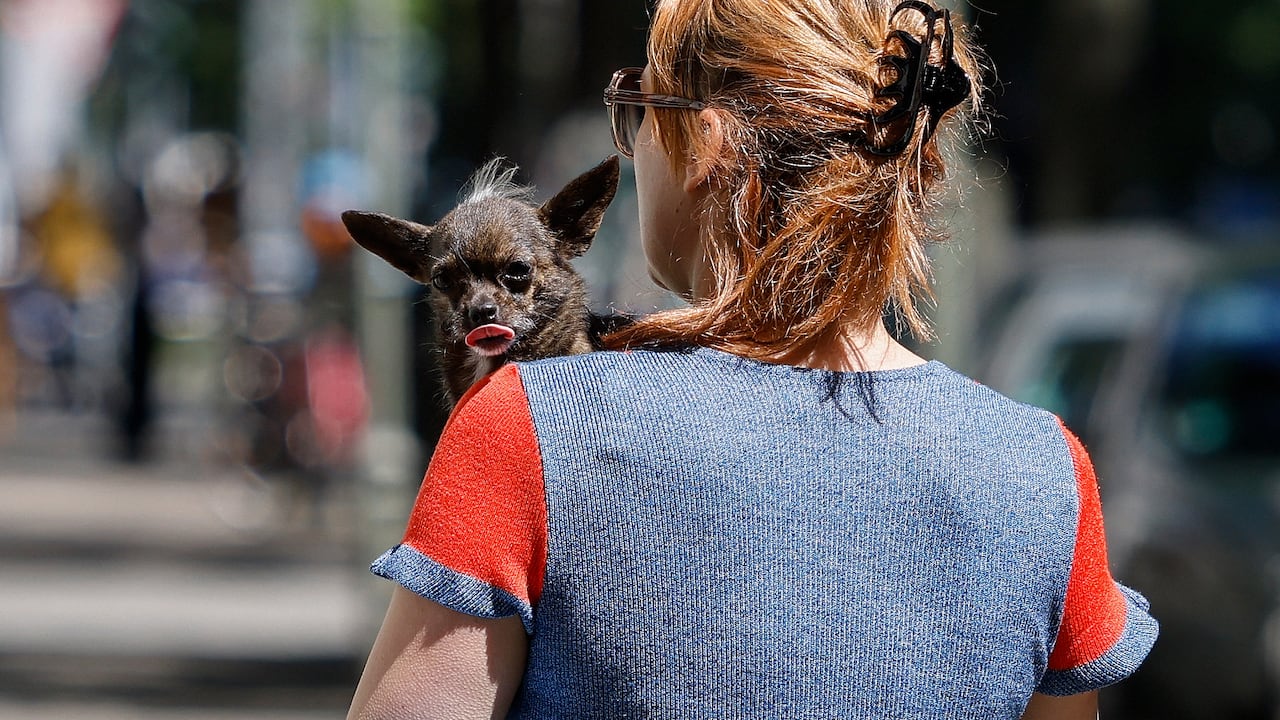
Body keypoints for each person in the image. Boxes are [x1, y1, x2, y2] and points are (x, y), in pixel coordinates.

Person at [346, 0, 1158, 717]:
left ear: (705, 142)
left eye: (639, 117)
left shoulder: (528, 425)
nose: (632, 154)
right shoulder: (1044, 470)